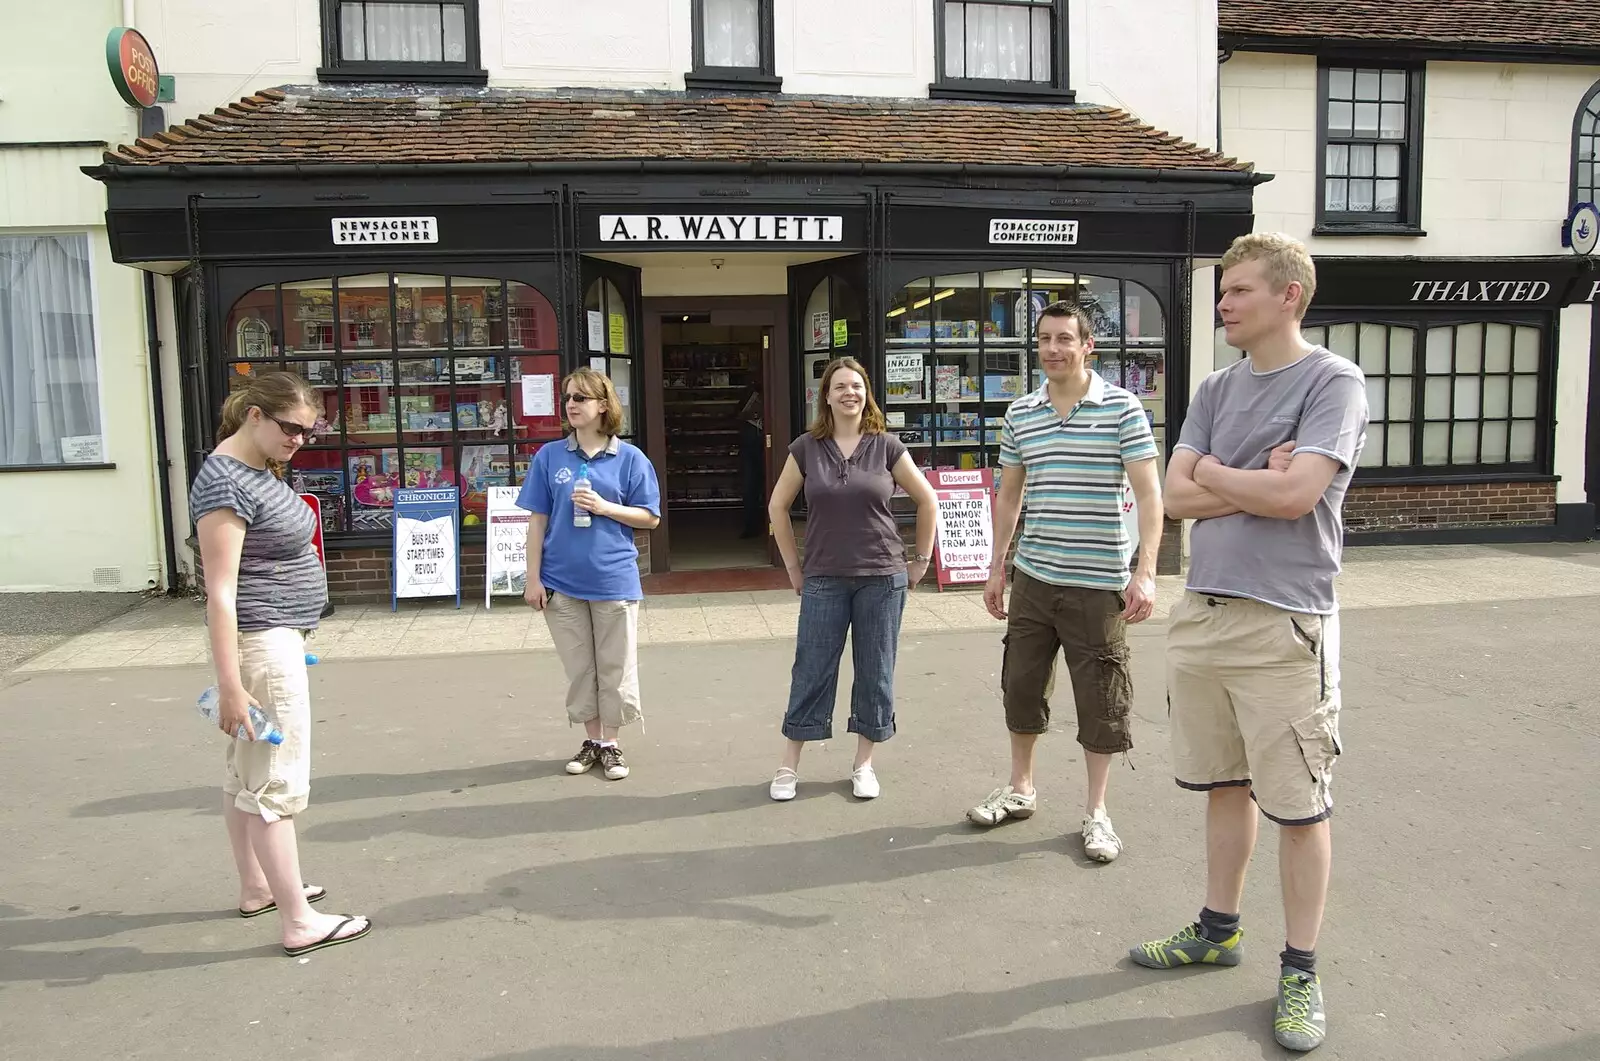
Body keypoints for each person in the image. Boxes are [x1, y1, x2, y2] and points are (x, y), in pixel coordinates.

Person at [1129, 233, 1367, 1054]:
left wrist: (1228, 479)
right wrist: (1250, 479)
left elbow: (1300, 494)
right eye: (1223, 291)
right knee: (1222, 784)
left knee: (1299, 805)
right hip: (1203, 614)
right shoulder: (1215, 387)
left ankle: (1300, 969)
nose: (1223, 304)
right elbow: (1174, 494)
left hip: (1285, 624)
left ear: (1288, 296)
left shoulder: (1333, 381)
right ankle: (1217, 927)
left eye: (1237, 292)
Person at [969, 301, 1164, 863]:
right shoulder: (1021, 413)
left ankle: (1097, 812)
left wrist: (1144, 572)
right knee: (1021, 685)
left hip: (1097, 583)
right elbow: (1009, 494)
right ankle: (1021, 789)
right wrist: (996, 565)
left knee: (1101, 698)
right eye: (1045, 339)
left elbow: (1151, 497)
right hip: (1034, 576)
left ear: (1087, 347)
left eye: (1064, 339)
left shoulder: (1123, 410)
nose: (1053, 349)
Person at [190, 371, 372, 957]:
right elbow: (219, 592)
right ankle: (299, 921)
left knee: (245, 773)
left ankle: (257, 886)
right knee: (276, 780)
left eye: (308, 430)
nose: (301, 439)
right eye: (292, 428)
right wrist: (230, 687)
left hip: (274, 640)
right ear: (255, 416)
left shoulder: (249, 470)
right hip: (262, 643)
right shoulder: (226, 482)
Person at [766, 356, 937, 801]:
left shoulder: (887, 447)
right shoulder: (806, 447)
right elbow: (777, 507)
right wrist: (793, 568)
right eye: (840, 386)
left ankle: (863, 764)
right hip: (823, 577)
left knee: (875, 671)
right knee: (811, 669)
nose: (849, 393)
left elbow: (927, 500)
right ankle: (789, 764)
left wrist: (920, 559)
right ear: (826, 395)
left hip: (882, 577)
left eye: (856, 386)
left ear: (866, 394)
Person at [519, 368, 661, 782]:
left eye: (581, 397)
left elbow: (650, 517)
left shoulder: (630, 459)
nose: (571, 404)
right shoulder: (549, 457)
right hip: (561, 583)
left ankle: (612, 745)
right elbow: (537, 522)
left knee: (615, 667)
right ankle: (592, 740)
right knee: (580, 669)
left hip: (613, 579)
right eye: (568, 397)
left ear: (603, 405)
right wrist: (532, 578)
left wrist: (604, 507)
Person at [736, 382, 766, 539]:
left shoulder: (770, 393)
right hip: (751, 446)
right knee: (750, 489)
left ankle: (759, 527)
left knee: (767, 488)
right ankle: (751, 527)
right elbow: (738, 414)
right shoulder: (748, 394)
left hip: (764, 446)